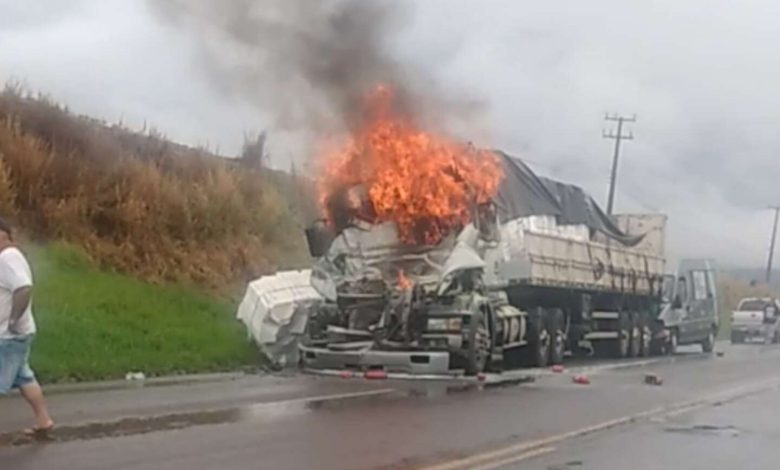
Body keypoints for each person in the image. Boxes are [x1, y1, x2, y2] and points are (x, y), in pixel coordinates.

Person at [0, 217, 53, 435]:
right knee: (24, 377)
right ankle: (43, 421)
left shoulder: (7, 257)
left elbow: (23, 288)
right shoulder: (9, 257)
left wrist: (12, 321)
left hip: (8, 336)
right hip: (17, 334)